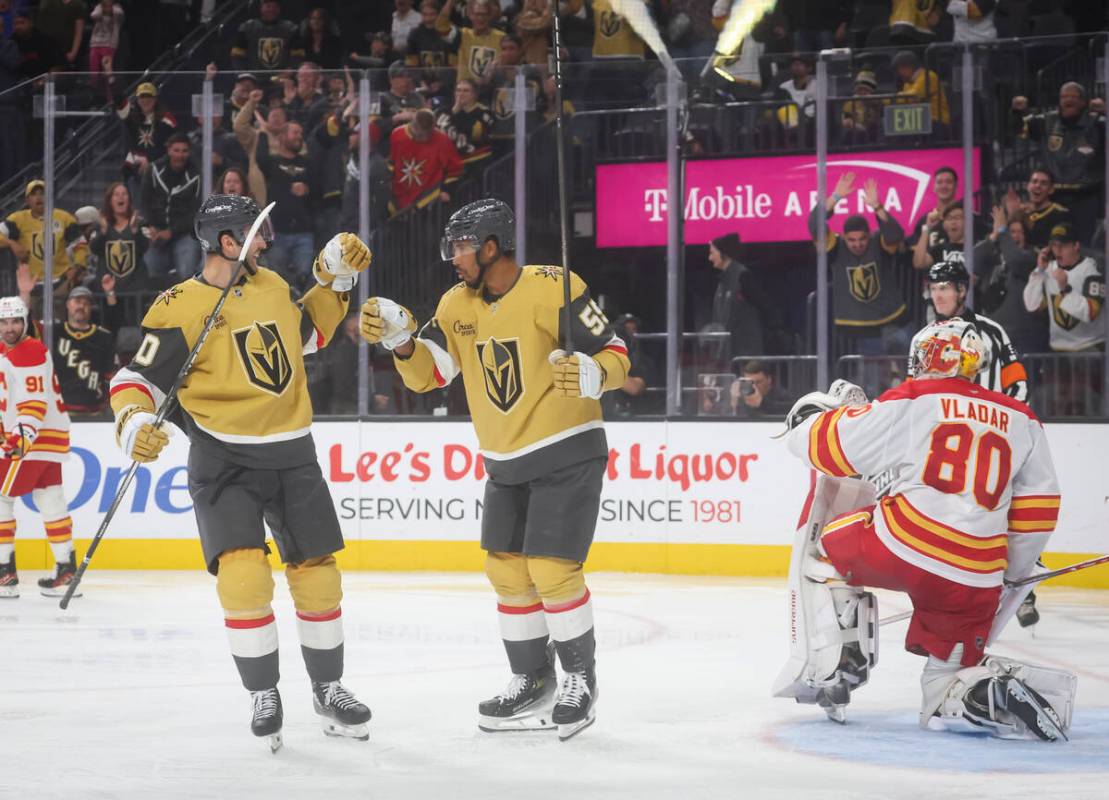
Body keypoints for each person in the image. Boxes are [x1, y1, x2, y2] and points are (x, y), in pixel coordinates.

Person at [107, 195, 373, 749]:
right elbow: (135, 380)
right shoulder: (178, 305)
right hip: (223, 457)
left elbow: (309, 337)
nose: (267, 241)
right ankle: (263, 690)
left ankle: (329, 687)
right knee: (244, 576)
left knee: (318, 575)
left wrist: (337, 282)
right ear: (227, 242)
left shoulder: (274, 287)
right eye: (257, 233)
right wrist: (133, 422)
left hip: (292, 451)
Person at [360, 198, 630, 740]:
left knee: (553, 570)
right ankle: (532, 680)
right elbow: (430, 376)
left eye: (462, 246)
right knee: (507, 572)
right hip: (505, 461)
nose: (453, 257)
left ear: (491, 247)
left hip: (568, 449)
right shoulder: (455, 303)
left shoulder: (555, 286)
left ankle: (580, 680)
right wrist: (402, 341)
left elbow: (617, 352)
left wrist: (593, 373)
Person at [775, 318, 1073, 741]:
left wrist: (808, 420)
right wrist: (1010, 573)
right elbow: (1038, 512)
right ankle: (980, 691)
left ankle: (839, 657)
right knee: (942, 689)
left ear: (931, 356)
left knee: (822, 549)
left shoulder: (917, 399)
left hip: (904, 546)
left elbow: (832, 448)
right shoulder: (1023, 419)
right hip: (975, 578)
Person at [0, 295, 76, 598]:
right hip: (48, 440)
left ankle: (5, 573)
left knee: (1, 499)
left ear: (25, 321)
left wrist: (20, 440)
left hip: (31, 441)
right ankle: (65, 569)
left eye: (15, 321)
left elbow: (34, 402)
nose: (9, 327)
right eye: (4, 322)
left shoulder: (28, 350)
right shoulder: (13, 351)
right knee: (51, 499)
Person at [808, 172, 910, 357]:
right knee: (872, 382)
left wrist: (877, 207)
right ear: (844, 237)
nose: (858, 244)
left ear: (869, 234)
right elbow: (814, 223)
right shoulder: (835, 246)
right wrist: (836, 197)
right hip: (858, 328)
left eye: (862, 238)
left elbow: (895, 235)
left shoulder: (878, 241)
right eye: (852, 240)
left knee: (909, 378)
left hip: (894, 322)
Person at [1012, 83, 1105, 244]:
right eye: (1064, 96)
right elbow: (1020, 128)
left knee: (1082, 246)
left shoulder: (1098, 122)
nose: (1068, 100)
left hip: (1085, 197)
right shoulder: (1048, 121)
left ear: (1084, 101)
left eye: (1073, 96)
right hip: (1054, 197)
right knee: (1053, 243)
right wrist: (1017, 111)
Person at [924, 259, 1028, 402]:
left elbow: (1017, 384)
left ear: (961, 290)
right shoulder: (923, 338)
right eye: (933, 289)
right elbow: (913, 394)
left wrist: (1009, 421)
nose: (937, 296)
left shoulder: (993, 332)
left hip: (987, 422)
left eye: (943, 288)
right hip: (944, 424)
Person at [1023, 223, 1104, 354]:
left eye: (1063, 245)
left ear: (1076, 246)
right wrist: (1039, 271)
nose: (1058, 251)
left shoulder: (1092, 270)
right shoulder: (1048, 269)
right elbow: (1032, 305)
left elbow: (1091, 313)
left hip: (1089, 347)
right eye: (1054, 245)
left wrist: (1065, 289)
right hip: (1058, 349)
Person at [0, 180, 89, 290]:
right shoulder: (18, 220)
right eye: (34, 194)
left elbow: (81, 244)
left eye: (42, 193)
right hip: (31, 284)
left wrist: (77, 267)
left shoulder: (64, 218)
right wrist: (11, 243)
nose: (39, 197)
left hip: (62, 281)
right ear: (27, 200)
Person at [139, 133, 202, 278]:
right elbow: (144, 202)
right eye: (176, 150)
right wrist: (150, 226)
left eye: (184, 151)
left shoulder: (197, 174)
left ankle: (186, 300)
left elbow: (195, 212)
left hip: (184, 233)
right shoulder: (153, 170)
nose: (180, 155)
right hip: (157, 232)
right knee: (151, 267)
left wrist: (172, 231)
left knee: (187, 270)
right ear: (169, 150)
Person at [707, 232, 776, 360]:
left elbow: (765, 306)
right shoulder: (722, 282)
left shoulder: (743, 276)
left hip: (745, 352)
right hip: (729, 353)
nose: (709, 258)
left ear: (723, 253)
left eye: (712, 253)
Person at [388, 108, 464, 213]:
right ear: (413, 126)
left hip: (429, 200)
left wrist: (447, 190)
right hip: (399, 194)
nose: (425, 138)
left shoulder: (442, 140)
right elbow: (391, 163)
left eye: (428, 134)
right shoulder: (397, 135)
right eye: (421, 135)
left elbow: (456, 169)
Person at [1002, 168, 1072, 250]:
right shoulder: (1020, 212)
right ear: (1028, 186)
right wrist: (1012, 215)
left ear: (1051, 190)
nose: (1037, 186)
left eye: (1043, 183)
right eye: (1034, 181)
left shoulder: (1060, 214)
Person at [230, 0, 303, 73]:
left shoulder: (291, 29)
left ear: (279, 9)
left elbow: (297, 56)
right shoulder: (247, 28)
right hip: (253, 79)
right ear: (261, 7)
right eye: (268, 6)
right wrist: (245, 75)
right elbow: (237, 56)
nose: (271, 9)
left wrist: (289, 72)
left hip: (282, 79)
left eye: (275, 6)